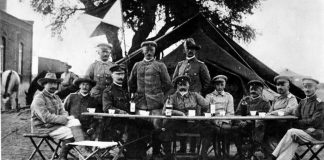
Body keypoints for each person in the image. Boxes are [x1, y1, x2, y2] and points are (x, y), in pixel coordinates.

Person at [128, 41, 173, 159]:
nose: (148, 52)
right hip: (140, 104)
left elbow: (168, 84)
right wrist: (134, 96)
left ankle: (156, 153)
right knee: (139, 128)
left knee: (157, 128)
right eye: (146, 50)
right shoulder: (137, 65)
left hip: (156, 104)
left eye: (151, 50)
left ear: (154, 51)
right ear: (142, 51)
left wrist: (159, 95)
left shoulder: (160, 65)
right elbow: (131, 83)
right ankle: (140, 153)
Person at [30, 73, 89, 160]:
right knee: (72, 133)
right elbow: (46, 118)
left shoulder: (56, 97)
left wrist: (66, 118)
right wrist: (64, 119)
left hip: (56, 125)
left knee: (75, 122)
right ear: (44, 84)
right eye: (50, 83)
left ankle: (83, 151)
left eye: (55, 83)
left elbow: (64, 112)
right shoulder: (39, 98)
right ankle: (63, 157)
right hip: (43, 127)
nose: (54, 86)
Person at [272, 78, 324, 160]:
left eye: (310, 87)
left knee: (291, 131)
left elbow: (315, 121)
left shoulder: (320, 103)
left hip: (316, 133)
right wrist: (304, 126)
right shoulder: (302, 102)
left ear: (316, 88)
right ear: (303, 88)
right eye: (305, 87)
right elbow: (296, 118)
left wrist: (301, 124)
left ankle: (274, 155)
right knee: (293, 141)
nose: (307, 89)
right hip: (303, 132)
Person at [161, 75, 209, 159]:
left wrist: (203, 114)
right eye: (180, 84)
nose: (182, 86)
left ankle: (202, 154)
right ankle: (168, 156)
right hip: (178, 124)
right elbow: (165, 111)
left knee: (208, 128)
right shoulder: (172, 97)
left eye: (185, 84)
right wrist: (179, 113)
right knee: (166, 129)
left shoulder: (195, 95)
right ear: (177, 86)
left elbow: (207, 105)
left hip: (193, 124)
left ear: (188, 85)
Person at [233, 80, 271, 159]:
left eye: (256, 89)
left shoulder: (265, 102)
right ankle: (241, 152)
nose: (253, 91)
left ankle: (254, 152)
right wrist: (240, 121)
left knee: (258, 128)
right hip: (244, 125)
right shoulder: (244, 100)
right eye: (251, 89)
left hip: (258, 127)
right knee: (234, 129)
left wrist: (249, 121)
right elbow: (237, 113)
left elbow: (267, 116)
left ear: (261, 91)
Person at [202, 75, 234, 159]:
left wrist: (223, 121)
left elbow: (230, 113)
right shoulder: (209, 96)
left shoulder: (229, 96)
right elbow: (207, 112)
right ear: (214, 85)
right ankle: (218, 156)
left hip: (225, 121)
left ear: (225, 85)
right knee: (214, 129)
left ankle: (225, 156)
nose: (219, 87)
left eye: (221, 84)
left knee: (225, 129)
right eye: (217, 85)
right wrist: (215, 121)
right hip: (213, 121)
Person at [63, 76, 99, 140]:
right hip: (73, 127)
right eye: (83, 84)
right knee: (67, 144)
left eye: (87, 85)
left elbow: (96, 116)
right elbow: (64, 111)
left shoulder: (93, 100)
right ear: (79, 86)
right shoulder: (71, 97)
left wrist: (92, 127)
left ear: (90, 87)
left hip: (87, 128)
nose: (84, 87)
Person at [266, 75, 298, 144]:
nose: (279, 87)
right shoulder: (276, 98)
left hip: (286, 125)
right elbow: (270, 112)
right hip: (274, 124)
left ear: (288, 87)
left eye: (282, 85)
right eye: (278, 85)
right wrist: (269, 113)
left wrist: (273, 113)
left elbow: (287, 110)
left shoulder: (291, 98)